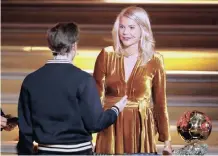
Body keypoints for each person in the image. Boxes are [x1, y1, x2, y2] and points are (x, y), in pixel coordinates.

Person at [17, 22, 127, 155]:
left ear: (50, 45)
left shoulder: (31, 80)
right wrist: (115, 110)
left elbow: (25, 130)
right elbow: (95, 123)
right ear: (74, 45)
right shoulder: (83, 79)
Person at [93, 6, 172, 155]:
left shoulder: (155, 60)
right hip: (110, 126)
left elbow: (160, 103)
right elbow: (95, 96)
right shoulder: (106, 55)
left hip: (141, 128)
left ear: (143, 29)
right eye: (122, 27)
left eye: (131, 27)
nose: (125, 32)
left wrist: (167, 141)